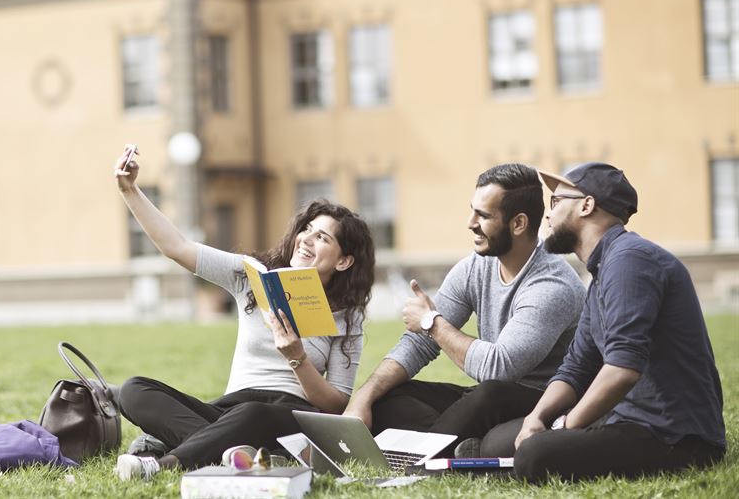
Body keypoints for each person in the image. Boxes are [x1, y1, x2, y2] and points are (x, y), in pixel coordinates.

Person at [111, 147, 375, 480]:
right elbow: (176, 247)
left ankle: (162, 463)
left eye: (321, 237)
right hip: (230, 409)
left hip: (290, 415)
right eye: (306, 229)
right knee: (135, 390)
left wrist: (298, 359)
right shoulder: (252, 277)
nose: (306, 240)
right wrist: (130, 191)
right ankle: (231, 452)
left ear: (343, 261)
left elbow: (336, 405)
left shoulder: (348, 318)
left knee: (253, 414)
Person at [484, 163, 726, 482]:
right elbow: (576, 367)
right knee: (497, 443)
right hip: (626, 418)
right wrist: (537, 417)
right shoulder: (601, 274)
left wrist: (564, 429)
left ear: (587, 204)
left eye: (556, 201)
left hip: (674, 435)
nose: (547, 212)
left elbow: (622, 369)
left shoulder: (631, 260)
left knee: (533, 454)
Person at [342, 163, 585, 457]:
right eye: (473, 211)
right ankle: (461, 445)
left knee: (490, 393)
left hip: (542, 402)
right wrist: (363, 399)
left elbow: (500, 367)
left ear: (518, 224)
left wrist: (432, 322)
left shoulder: (552, 284)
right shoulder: (476, 266)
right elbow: (418, 343)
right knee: (390, 396)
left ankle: (427, 453)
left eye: (483, 215)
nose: (470, 222)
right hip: (486, 401)